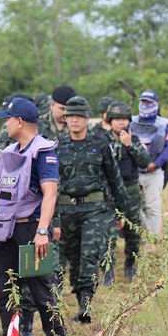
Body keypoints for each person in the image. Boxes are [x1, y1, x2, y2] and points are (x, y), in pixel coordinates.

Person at [0, 98, 65, 336]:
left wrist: (42, 231)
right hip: (6, 229)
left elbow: (50, 193)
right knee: (7, 289)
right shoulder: (11, 151)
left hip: (31, 229)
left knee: (40, 290)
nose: (6, 124)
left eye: (8, 119)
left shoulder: (43, 152)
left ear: (20, 121)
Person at [56, 97, 128, 323]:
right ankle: (80, 301)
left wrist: (120, 211)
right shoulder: (58, 147)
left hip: (95, 210)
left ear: (87, 118)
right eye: (70, 116)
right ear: (66, 118)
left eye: (79, 116)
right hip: (67, 211)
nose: (74, 120)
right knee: (74, 258)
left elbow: (115, 179)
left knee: (89, 255)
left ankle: (86, 305)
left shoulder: (100, 145)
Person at [0, 95, 39, 336]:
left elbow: (48, 190)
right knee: (7, 279)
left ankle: (27, 327)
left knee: (31, 278)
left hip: (30, 222)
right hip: (4, 221)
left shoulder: (39, 145)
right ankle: (10, 333)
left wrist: (50, 225)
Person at [104, 102, 151, 283]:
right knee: (108, 233)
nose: (121, 122)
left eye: (124, 119)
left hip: (130, 192)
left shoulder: (135, 140)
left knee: (133, 232)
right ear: (110, 121)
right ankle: (108, 270)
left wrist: (130, 144)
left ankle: (130, 264)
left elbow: (145, 162)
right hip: (109, 193)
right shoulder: (103, 140)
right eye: (117, 119)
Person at [131, 90, 168, 238]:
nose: (145, 105)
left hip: (154, 171)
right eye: (143, 102)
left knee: (152, 206)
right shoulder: (131, 122)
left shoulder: (164, 125)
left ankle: (153, 239)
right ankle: (143, 235)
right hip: (134, 171)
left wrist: (156, 164)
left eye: (149, 103)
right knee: (135, 206)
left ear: (156, 104)